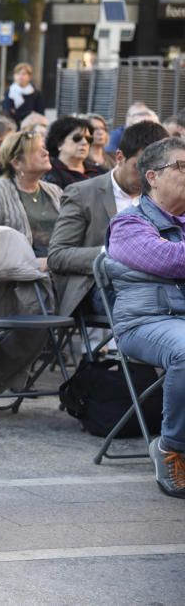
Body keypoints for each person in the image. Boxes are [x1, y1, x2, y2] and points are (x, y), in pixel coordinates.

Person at [105, 137, 185, 499]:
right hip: (146, 322)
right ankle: (171, 447)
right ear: (152, 176)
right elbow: (169, 260)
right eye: (182, 166)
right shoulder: (128, 224)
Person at [47, 121, 168, 317]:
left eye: (156, 171)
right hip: (99, 286)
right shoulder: (83, 193)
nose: (148, 178)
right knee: (148, 304)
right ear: (119, 157)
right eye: (139, 167)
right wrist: (111, 252)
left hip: (156, 288)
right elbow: (57, 256)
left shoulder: (166, 194)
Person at [0, 130, 62, 268]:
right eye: (37, 150)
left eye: (44, 147)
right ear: (17, 162)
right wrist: (31, 263)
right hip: (19, 275)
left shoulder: (54, 191)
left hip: (58, 265)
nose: (46, 153)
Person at [44, 116, 104, 189]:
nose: (84, 142)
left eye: (88, 139)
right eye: (77, 138)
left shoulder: (99, 172)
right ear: (60, 144)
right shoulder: (49, 174)